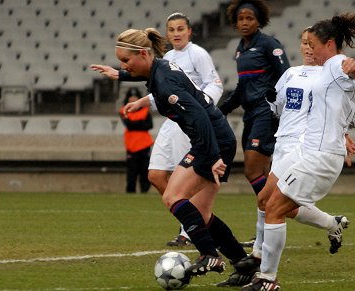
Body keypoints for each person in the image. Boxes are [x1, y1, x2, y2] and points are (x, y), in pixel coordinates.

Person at [96, 27, 249, 278]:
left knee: (172, 196)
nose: (123, 64)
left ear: (144, 53)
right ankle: (244, 264)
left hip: (212, 140)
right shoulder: (160, 69)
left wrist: (213, 157)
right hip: (216, 138)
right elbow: (148, 74)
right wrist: (121, 74)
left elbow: (200, 117)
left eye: (125, 60)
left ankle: (209, 255)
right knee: (201, 213)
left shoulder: (165, 82)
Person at [241, 12, 355, 290]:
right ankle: (265, 272)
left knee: (274, 207)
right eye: (305, 42)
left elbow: (353, 74)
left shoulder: (334, 64)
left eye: (313, 43)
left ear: (329, 44)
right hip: (311, 152)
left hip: (320, 157)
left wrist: (353, 70)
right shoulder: (316, 73)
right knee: (271, 202)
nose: (310, 48)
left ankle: (267, 278)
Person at [91, 12, 223, 247]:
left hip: (192, 118)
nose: (176, 34)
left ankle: (190, 231)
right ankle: (194, 221)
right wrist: (138, 97)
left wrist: (204, 104)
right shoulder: (167, 57)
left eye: (180, 29)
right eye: (171, 30)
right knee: (156, 175)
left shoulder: (198, 54)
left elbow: (214, 83)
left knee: (183, 180)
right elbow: (160, 87)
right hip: (174, 117)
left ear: (189, 31)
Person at [219, 0, 290, 247]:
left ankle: (274, 216)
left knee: (252, 170)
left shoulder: (270, 45)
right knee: (265, 175)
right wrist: (222, 110)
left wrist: (277, 109)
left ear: (259, 20)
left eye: (250, 18)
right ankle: (277, 216)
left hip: (266, 115)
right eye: (241, 19)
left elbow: (287, 78)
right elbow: (242, 88)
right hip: (250, 115)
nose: (245, 23)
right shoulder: (240, 48)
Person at [119, 87, 153, 193]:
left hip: (144, 144)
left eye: (135, 97)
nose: (133, 100)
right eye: (131, 97)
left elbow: (149, 125)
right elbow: (129, 125)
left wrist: (135, 124)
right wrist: (140, 123)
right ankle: (130, 191)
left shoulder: (145, 110)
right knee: (131, 172)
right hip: (131, 145)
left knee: (144, 170)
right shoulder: (123, 110)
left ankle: (144, 191)